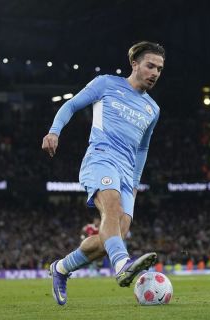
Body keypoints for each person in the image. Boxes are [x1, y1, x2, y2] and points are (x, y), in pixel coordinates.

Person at [41, 41, 165, 306]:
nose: (155, 72)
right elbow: (71, 105)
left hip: (127, 173)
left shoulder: (153, 109)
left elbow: (143, 148)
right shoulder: (106, 84)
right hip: (100, 157)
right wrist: (54, 131)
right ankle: (122, 266)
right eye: (150, 66)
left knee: (110, 237)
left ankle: (61, 268)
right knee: (111, 207)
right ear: (135, 64)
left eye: (159, 69)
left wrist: (134, 183)